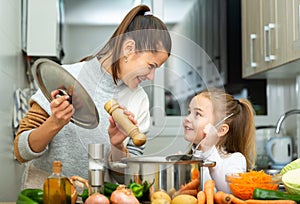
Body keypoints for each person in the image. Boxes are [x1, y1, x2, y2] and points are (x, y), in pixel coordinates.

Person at [14, 4, 171, 189]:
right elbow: (20, 151)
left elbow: (127, 180)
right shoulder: (64, 78)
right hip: (47, 197)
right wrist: (55, 122)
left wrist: (118, 146)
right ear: (129, 49)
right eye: (151, 66)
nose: (151, 77)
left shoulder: (140, 101)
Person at [183, 88, 256, 193]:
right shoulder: (193, 157)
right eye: (189, 112)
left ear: (221, 129)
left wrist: (209, 151)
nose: (187, 118)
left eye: (197, 114)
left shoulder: (235, 159)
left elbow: (229, 191)